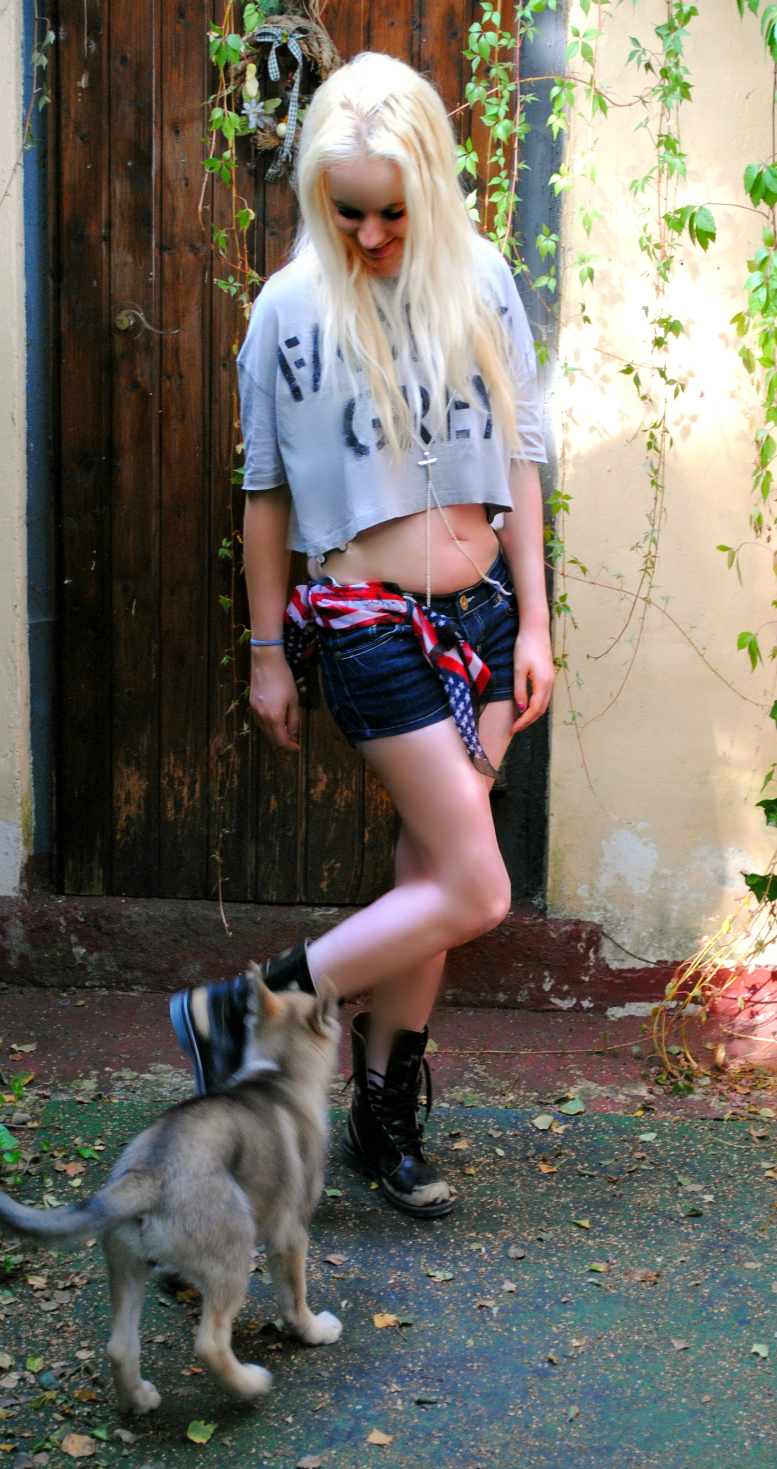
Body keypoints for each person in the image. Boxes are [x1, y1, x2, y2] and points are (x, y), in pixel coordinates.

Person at [170, 51, 553, 1220]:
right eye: (351, 213)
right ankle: (249, 1009)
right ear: (316, 197)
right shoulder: (289, 309)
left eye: (395, 212)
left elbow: (523, 455)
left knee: (434, 867)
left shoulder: (481, 279)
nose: (375, 235)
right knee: (477, 886)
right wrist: (266, 653)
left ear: (430, 188)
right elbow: (265, 495)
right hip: (367, 618)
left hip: (480, 619)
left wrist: (536, 620)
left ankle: (382, 1112)